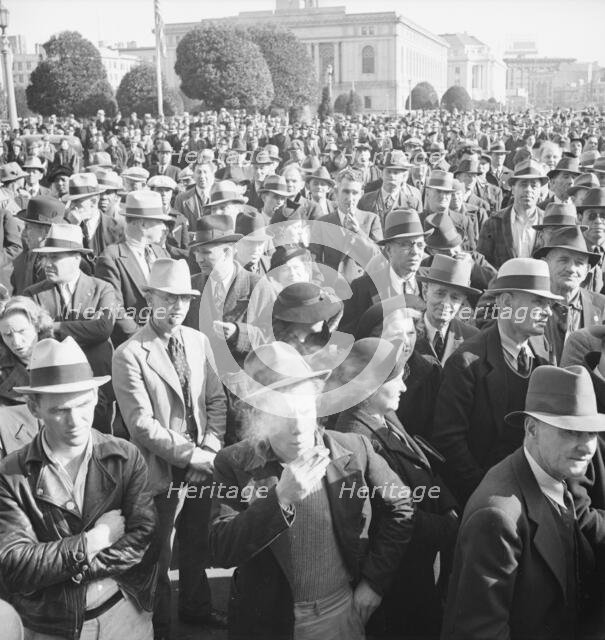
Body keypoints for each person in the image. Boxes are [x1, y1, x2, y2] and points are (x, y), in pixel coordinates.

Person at [209, 341, 415, 640]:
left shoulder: (354, 449)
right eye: (283, 416)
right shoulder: (234, 463)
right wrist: (280, 499)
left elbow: (402, 507)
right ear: (258, 418)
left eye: (304, 410)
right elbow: (221, 548)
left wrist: (374, 583)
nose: (299, 427)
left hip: (340, 613)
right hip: (269, 621)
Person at [0, 336, 157, 640]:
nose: (75, 421)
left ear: (97, 396)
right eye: (60, 410)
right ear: (34, 407)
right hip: (51, 628)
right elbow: (15, 565)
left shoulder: (125, 456)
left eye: (83, 404)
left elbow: (143, 539)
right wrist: (94, 540)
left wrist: (62, 567)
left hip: (125, 616)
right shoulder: (11, 474)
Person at [442, 365, 605, 640]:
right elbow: (481, 633)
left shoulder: (552, 472)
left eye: (591, 433)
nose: (587, 446)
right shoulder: (497, 517)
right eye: (571, 431)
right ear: (532, 429)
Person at [112, 258, 227, 637]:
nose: (177, 307)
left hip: (202, 464)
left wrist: (208, 450)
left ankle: (196, 609)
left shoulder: (198, 341)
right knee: (158, 554)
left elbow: (215, 402)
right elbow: (141, 424)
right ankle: (158, 625)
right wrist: (192, 455)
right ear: (149, 298)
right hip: (159, 471)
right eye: (168, 298)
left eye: (184, 299)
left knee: (197, 542)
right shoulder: (128, 354)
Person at [331, 337, 459, 639]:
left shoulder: (383, 413)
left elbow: (423, 461)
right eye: (397, 379)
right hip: (397, 581)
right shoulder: (352, 437)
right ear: (372, 386)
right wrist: (452, 528)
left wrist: (449, 504)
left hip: (418, 566)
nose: (403, 387)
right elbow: (384, 516)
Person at [431, 258, 559, 504]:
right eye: (539, 301)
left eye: (550, 303)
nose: (548, 311)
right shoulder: (467, 361)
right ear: (507, 302)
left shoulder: (543, 351)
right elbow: (448, 440)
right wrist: (487, 492)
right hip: (483, 495)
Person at [25, 224, 117, 433]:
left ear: (77, 258)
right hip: (54, 387)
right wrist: (84, 327)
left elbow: (103, 327)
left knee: (100, 445)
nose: (47, 263)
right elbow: (32, 336)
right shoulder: (33, 294)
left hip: (96, 385)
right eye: (45, 258)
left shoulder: (102, 288)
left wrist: (53, 326)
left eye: (55, 257)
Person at [95, 191, 170, 346]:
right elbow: (114, 309)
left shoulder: (160, 252)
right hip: (134, 345)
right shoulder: (111, 257)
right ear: (143, 224)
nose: (164, 227)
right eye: (159, 222)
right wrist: (144, 340)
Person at [340, 208, 431, 333]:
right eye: (406, 244)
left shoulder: (431, 283)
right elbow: (346, 337)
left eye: (420, 245)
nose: (415, 252)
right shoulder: (362, 289)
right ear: (388, 250)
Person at [533, 225, 605, 364]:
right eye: (563, 260)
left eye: (579, 263)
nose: (572, 268)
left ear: (588, 270)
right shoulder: (529, 303)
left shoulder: (602, 307)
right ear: (544, 263)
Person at [310, 168, 382, 280]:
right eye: (346, 191)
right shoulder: (322, 223)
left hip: (362, 286)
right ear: (336, 192)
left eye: (355, 193)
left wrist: (358, 232)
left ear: (361, 194)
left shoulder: (371, 219)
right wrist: (322, 286)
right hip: (332, 288)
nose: (350, 198)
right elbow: (314, 261)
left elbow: (379, 257)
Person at [478, 159, 548, 269]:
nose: (528, 190)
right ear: (513, 189)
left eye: (534, 185)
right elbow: (481, 261)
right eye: (523, 184)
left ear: (540, 191)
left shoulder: (549, 223)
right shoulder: (494, 223)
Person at [357, 150, 422, 227]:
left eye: (396, 173)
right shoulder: (365, 200)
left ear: (403, 177)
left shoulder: (413, 203)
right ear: (381, 174)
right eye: (388, 171)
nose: (391, 175)